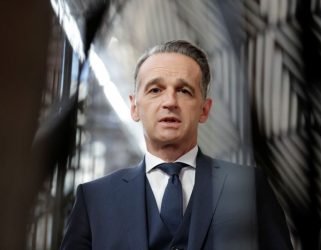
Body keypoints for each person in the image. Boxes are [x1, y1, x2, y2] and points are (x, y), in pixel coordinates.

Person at [60, 40, 293, 250]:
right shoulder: (93, 200)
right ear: (134, 107)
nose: (170, 102)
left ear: (204, 109)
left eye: (184, 90)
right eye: (155, 90)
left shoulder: (248, 188)